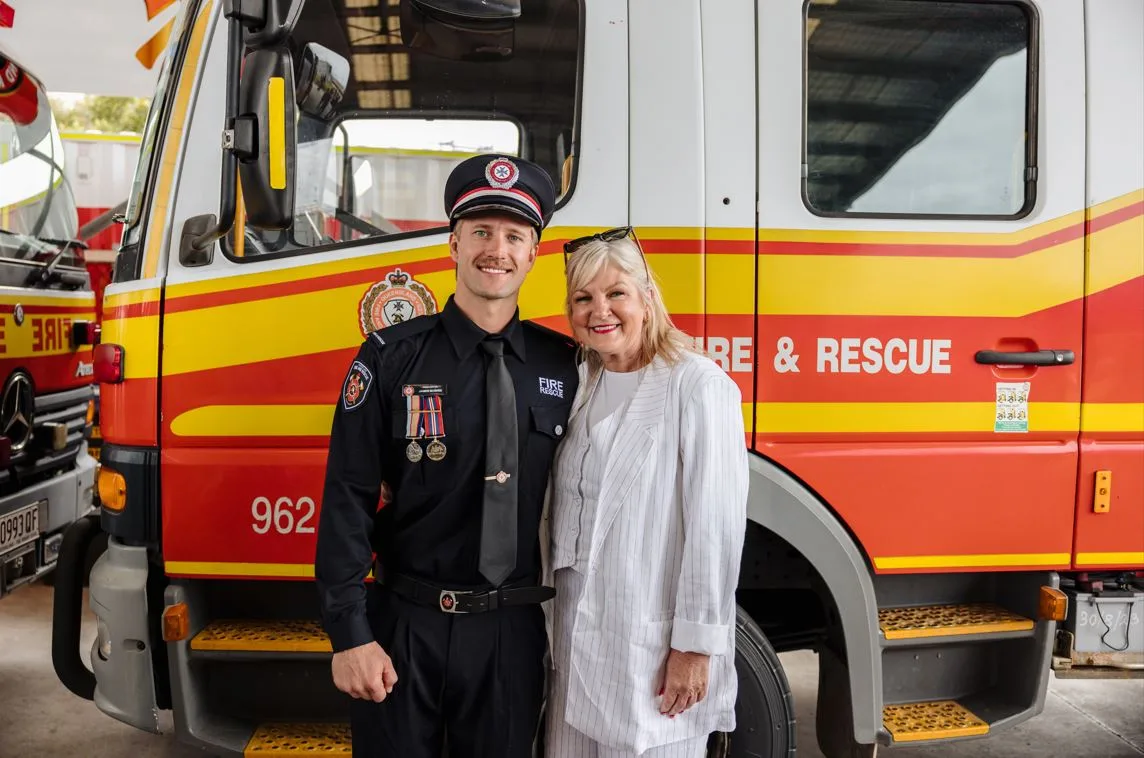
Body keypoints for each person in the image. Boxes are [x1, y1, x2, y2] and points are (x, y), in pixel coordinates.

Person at [315, 154, 579, 758]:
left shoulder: (563, 365)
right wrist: (350, 634)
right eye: (481, 231)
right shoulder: (389, 358)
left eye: (514, 235)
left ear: (533, 254)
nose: (497, 249)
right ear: (453, 244)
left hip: (510, 632)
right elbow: (347, 500)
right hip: (405, 626)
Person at [545, 228, 748, 757]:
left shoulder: (697, 386)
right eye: (583, 298)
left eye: (616, 294)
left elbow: (715, 528)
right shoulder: (579, 382)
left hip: (651, 651)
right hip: (572, 645)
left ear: (648, 299)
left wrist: (694, 648)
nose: (599, 310)